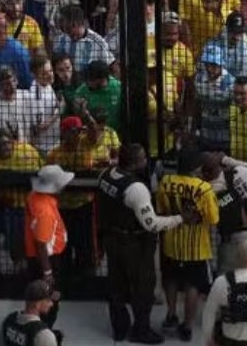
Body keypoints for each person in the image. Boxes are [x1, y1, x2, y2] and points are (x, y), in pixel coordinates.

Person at [98, 144, 195, 343]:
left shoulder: (105, 175)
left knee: (116, 284)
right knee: (143, 287)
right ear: (134, 164)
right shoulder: (136, 189)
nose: (145, 160)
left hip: (112, 239)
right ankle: (141, 330)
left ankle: (119, 328)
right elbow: (151, 224)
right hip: (134, 243)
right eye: (142, 158)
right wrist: (180, 219)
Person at [156, 147, 220, 341]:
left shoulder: (165, 183)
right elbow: (213, 219)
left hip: (170, 243)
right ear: (197, 167)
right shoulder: (204, 188)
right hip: (197, 248)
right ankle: (187, 325)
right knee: (193, 286)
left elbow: (161, 210)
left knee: (171, 280)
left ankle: (171, 314)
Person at [25, 164, 74, 328]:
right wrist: (48, 273)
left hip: (38, 258)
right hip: (47, 260)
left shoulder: (34, 196)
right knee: (51, 298)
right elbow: (41, 244)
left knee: (38, 296)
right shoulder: (45, 211)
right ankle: (45, 330)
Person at [0, 279, 61, 346]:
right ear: (37, 304)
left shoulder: (8, 320)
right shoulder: (44, 335)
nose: (51, 304)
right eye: (48, 300)